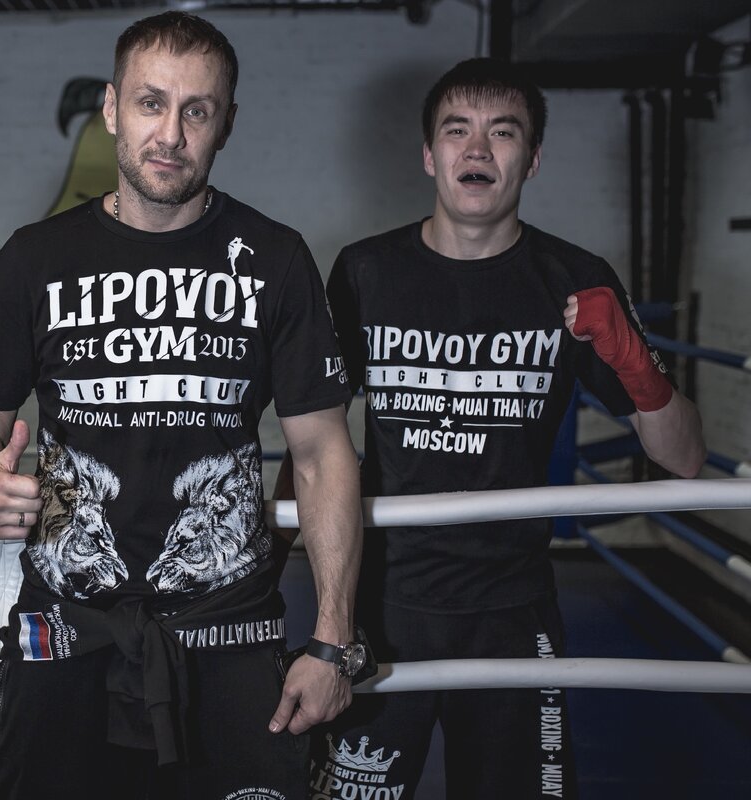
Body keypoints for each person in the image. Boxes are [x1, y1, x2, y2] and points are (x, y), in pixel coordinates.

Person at [0, 12, 367, 799]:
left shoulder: (274, 258)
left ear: (226, 124)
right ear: (111, 109)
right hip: (66, 624)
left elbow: (322, 452)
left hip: (230, 625)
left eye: (197, 110)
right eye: (150, 103)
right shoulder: (35, 258)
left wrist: (332, 641)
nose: (170, 134)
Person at [297, 58, 706, 800]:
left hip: (513, 608)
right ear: (430, 156)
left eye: (503, 132)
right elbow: (314, 432)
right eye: (457, 130)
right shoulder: (365, 271)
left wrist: (635, 363)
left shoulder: (573, 278)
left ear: (532, 158)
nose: (478, 148)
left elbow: (683, 459)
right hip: (381, 601)